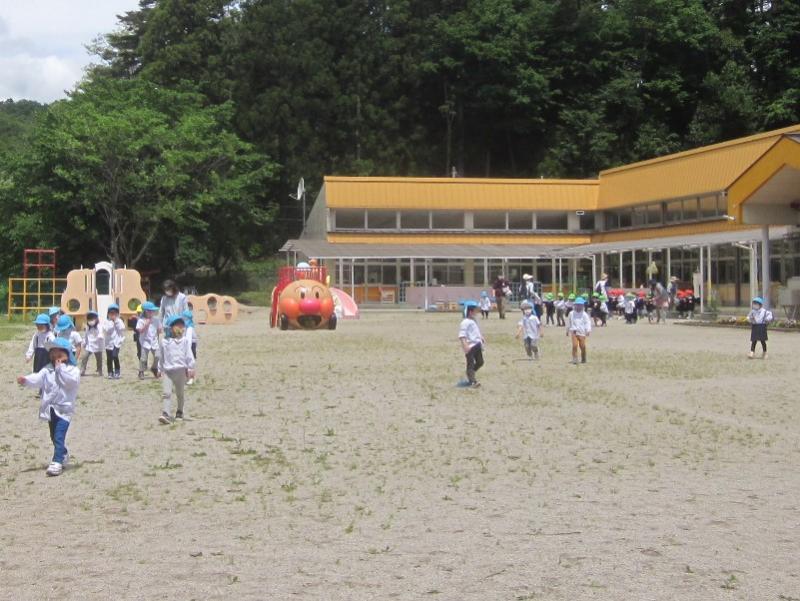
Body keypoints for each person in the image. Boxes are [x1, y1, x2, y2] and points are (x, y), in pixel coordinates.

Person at [16, 338, 80, 477]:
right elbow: (38, 378)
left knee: (59, 435)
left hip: (64, 410)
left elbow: (70, 383)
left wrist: (60, 369)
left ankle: (57, 462)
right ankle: (63, 453)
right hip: (50, 409)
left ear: (67, 353)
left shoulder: (73, 370)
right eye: (52, 353)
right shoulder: (47, 369)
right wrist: (26, 380)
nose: (55, 356)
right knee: (53, 436)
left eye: (58, 353)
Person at [158, 315, 196, 424]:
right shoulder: (165, 342)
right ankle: (166, 413)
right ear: (171, 328)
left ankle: (180, 411)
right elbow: (162, 357)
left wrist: (191, 367)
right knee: (166, 393)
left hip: (181, 371)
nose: (180, 327)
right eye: (177, 325)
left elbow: (189, 355)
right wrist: (160, 369)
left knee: (180, 393)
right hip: (168, 372)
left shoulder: (184, 341)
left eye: (182, 325)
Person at [458, 301, 485, 388]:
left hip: (477, 345)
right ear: (470, 312)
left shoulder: (473, 320)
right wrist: (465, 345)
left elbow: (476, 331)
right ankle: (473, 381)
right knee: (471, 364)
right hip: (470, 347)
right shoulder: (465, 322)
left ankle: (470, 373)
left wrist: (481, 337)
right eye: (475, 310)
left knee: (480, 362)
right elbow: (462, 335)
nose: (476, 312)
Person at [136, 301, 161, 379]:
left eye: (153, 311)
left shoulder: (156, 320)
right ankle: (141, 371)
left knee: (158, 356)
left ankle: (154, 368)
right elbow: (140, 331)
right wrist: (146, 324)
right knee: (143, 358)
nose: (152, 312)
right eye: (150, 311)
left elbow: (159, 330)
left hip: (154, 341)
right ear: (146, 311)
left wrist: (159, 329)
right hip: (145, 342)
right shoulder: (141, 320)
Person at [102, 303, 126, 379]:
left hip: (117, 343)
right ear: (108, 314)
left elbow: (122, 328)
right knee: (109, 358)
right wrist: (112, 323)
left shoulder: (119, 321)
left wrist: (116, 321)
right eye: (111, 313)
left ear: (117, 314)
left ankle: (117, 371)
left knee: (115, 356)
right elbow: (106, 330)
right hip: (108, 344)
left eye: (114, 313)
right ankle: (110, 372)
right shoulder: (106, 322)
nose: (113, 315)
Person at [566, 297, 592, 365]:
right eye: (577, 305)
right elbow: (569, 322)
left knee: (582, 346)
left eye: (580, 305)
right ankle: (575, 359)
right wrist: (567, 330)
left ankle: (583, 358)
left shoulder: (584, 314)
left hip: (582, 332)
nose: (579, 306)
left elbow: (587, 323)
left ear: (583, 306)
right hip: (574, 331)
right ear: (574, 305)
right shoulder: (571, 313)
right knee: (574, 345)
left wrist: (588, 330)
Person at [79, 311, 104, 376]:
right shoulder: (87, 327)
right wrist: (84, 342)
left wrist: (100, 336)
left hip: (98, 345)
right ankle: (82, 370)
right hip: (89, 345)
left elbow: (101, 332)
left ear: (96, 319)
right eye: (89, 320)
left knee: (99, 359)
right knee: (85, 357)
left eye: (92, 319)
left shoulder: (99, 326)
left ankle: (99, 370)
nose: (91, 321)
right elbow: (86, 335)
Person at [182, 309, 198, 385]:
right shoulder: (187, 328)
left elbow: (188, 341)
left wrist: (187, 351)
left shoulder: (190, 329)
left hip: (190, 347)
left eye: (184, 318)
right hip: (189, 347)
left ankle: (191, 378)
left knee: (190, 364)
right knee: (186, 364)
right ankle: (187, 378)